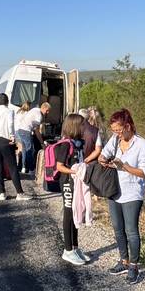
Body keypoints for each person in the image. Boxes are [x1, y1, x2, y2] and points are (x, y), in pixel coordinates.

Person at [99, 109, 145, 284]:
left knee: (131, 231)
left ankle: (134, 265)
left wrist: (124, 166)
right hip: (114, 190)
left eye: (119, 130)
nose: (117, 134)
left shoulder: (142, 144)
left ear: (128, 126)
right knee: (117, 228)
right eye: (114, 131)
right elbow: (102, 155)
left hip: (132, 192)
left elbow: (143, 172)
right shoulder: (114, 140)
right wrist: (104, 161)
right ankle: (124, 261)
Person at [55, 113, 90, 266]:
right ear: (75, 126)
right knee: (69, 213)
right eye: (82, 125)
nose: (84, 128)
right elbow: (59, 166)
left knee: (76, 212)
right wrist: (75, 172)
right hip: (68, 182)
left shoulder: (77, 143)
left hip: (76, 182)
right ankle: (67, 250)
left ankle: (75, 247)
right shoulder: (65, 144)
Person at [0, 93, 32, 202]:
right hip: (5, 140)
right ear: (7, 101)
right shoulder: (9, 111)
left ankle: (2, 193)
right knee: (12, 167)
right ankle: (19, 193)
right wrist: (12, 137)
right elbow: (10, 124)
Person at [16, 102, 51, 174]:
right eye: (47, 110)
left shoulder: (35, 109)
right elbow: (37, 131)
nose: (48, 112)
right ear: (43, 108)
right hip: (26, 131)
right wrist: (42, 142)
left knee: (24, 150)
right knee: (30, 151)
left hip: (20, 130)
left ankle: (23, 168)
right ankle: (32, 170)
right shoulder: (39, 116)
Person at [14, 101, 31, 172]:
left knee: (19, 150)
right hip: (23, 132)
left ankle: (18, 166)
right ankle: (24, 167)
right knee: (25, 150)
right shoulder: (27, 114)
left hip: (16, 132)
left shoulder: (18, 112)